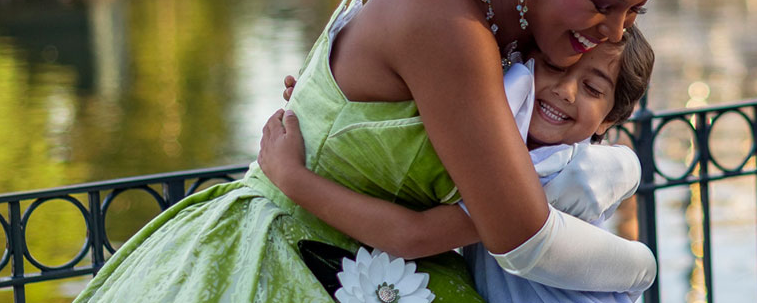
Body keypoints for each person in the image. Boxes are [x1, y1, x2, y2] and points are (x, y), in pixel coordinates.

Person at [73, 0, 694, 301]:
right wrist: (641, 268)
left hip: (384, 265)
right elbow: (525, 238)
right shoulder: (447, 23)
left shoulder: (517, 19)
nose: (613, 33)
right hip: (294, 264)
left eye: (633, 13)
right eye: (602, 3)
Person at [259, 26, 655, 302]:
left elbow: (412, 237)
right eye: (555, 66)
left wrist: (293, 178)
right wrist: (334, 109)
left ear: (608, 120)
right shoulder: (503, 136)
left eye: (591, 88)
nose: (565, 91)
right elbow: (412, 135)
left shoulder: (550, 169)